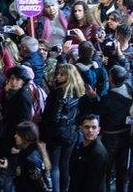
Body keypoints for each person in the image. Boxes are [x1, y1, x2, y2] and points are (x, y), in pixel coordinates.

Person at [41, 63, 82, 192]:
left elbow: (54, 116)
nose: (58, 76)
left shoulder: (59, 91)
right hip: (71, 132)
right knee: (65, 165)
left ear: (69, 76)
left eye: (62, 74)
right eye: (58, 73)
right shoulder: (78, 90)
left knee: (55, 166)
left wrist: (46, 128)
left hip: (57, 132)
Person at [68, 114, 108, 192]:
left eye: (94, 127)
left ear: (98, 130)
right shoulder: (79, 146)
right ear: (81, 129)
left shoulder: (98, 153)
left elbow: (94, 184)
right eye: (87, 127)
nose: (90, 130)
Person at [10, 121, 51, 192]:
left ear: (25, 137)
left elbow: (39, 187)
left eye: (18, 134)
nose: (15, 136)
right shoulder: (25, 152)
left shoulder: (31, 161)